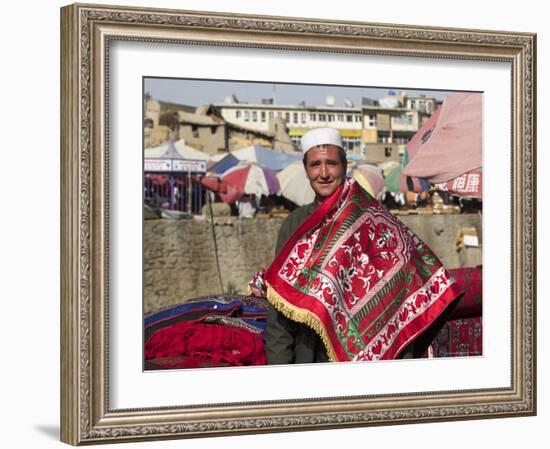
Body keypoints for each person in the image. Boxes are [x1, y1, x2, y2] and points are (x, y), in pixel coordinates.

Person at [249, 127, 461, 364]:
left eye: (331, 163)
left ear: (344, 165)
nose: (324, 173)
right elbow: (281, 308)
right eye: (315, 165)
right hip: (309, 356)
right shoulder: (295, 225)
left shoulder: (373, 219)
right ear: (306, 170)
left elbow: (403, 288)